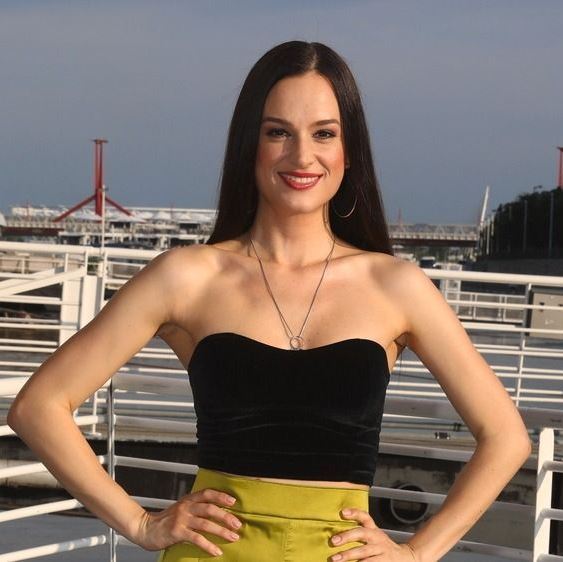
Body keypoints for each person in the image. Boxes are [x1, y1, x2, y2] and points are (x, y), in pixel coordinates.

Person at [8, 40, 532, 562]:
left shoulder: (396, 286)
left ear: (349, 151)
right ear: (249, 144)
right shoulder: (188, 276)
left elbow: (506, 437)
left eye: (324, 133)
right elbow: (38, 407)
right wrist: (140, 523)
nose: (302, 156)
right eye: (278, 132)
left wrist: (417, 552)